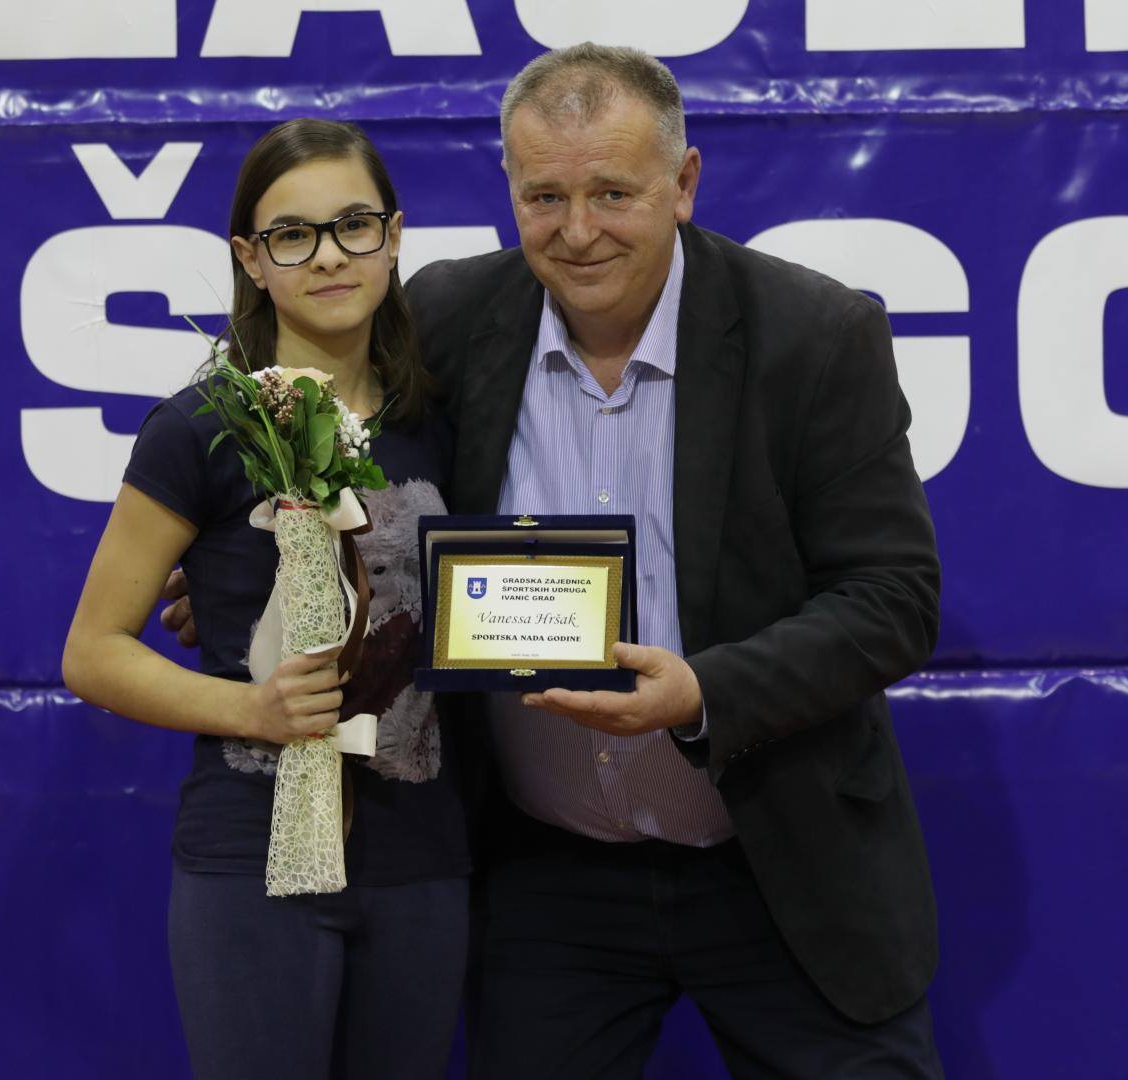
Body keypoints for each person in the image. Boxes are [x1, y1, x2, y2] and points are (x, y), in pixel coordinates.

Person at [411, 44, 945, 1078]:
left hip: (777, 852)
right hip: (546, 876)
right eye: (545, 197)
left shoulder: (814, 336)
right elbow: (310, 443)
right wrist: (238, 571)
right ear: (509, 190)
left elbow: (893, 598)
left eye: (613, 193)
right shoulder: (446, 318)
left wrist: (703, 692)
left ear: (684, 182)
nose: (578, 231)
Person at [62, 118, 468, 1079]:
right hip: (253, 859)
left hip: (420, 860)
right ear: (251, 258)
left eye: (353, 225)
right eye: (293, 235)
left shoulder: (443, 422)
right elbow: (93, 651)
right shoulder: (198, 428)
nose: (328, 256)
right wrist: (253, 709)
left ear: (394, 236)